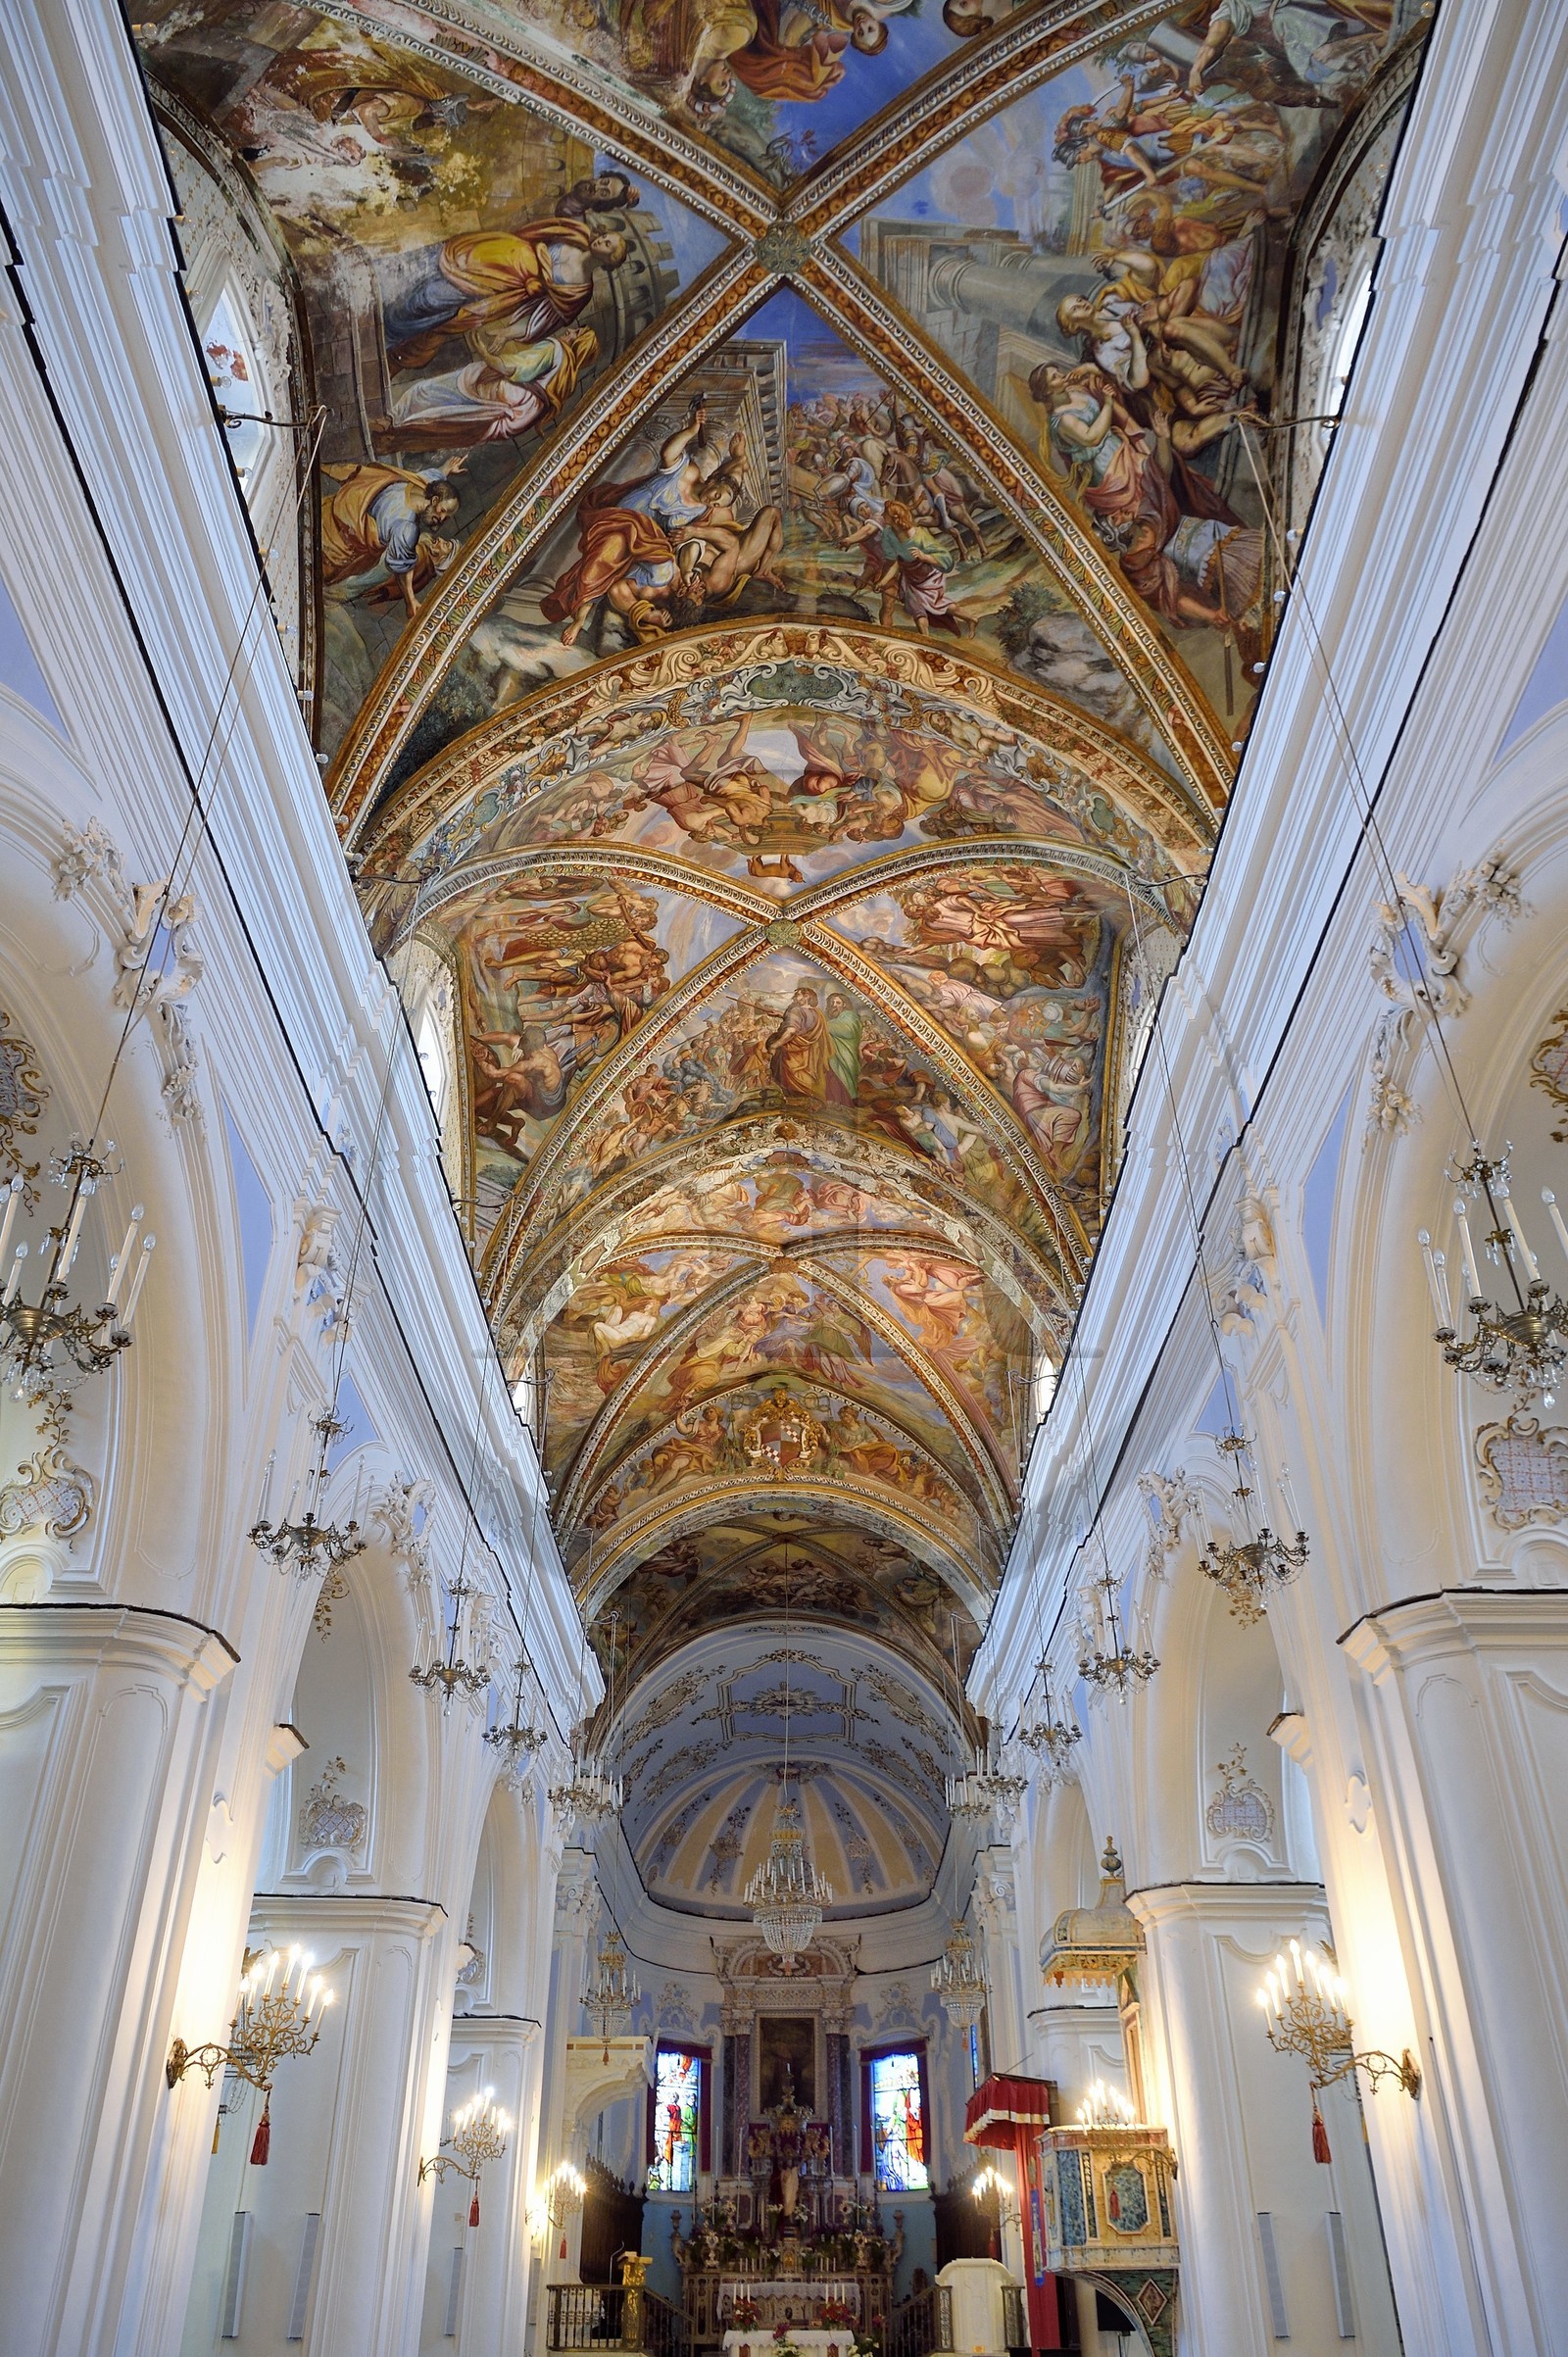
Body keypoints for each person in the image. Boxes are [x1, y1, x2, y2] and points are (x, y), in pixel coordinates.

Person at [381, 221, 628, 370]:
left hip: (501, 286)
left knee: (430, 299)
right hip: (495, 252)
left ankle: (388, 329)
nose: (601, 241)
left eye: (608, 245)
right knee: (429, 265)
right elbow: (531, 233)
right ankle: (381, 295)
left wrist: (506, 332)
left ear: (609, 261)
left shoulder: (579, 291)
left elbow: (541, 320)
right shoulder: (575, 234)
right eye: (605, 237)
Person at [376, 323, 595, 453]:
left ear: (579, 344)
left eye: (576, 333)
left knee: (425, 392)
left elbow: (516, 367)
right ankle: (395, 435)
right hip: (519, 416)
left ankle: (390, 421)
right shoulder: (569, 378)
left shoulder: (556, 348)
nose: (569, 331)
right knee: (447, 423)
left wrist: (484, 352)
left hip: (505, 395)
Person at [318, 462, 460, 614]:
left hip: (331, 512)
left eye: (446, 516)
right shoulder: (406, 527)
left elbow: (435, 476)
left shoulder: (418, 483)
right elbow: (402, 569)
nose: (441, 518)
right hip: (334, 548)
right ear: (434, 500)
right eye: (442, 511)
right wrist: (410, 600)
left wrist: (446, 469)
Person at [766, 983, 833, 1098]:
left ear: (806, 996)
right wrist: (782, 1015)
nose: (793, 998)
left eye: (797, 995)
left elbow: (791, 1031)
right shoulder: (818, 1013)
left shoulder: (796, 1010)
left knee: (791, 1080)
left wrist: (775, 1045)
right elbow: (804, 1022)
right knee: (806, 1079)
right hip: (810, 1054)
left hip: (793, 1053)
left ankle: (793, 1098)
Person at [825, 989, 862, 1105]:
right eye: (832, 1002)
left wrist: (823, 1024)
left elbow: (847, 1031)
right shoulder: (837, 1019)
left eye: (838, 1003)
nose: (834, 1005)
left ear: (844, 1004)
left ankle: (848, 1101)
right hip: (836, 1056)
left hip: (846, 1056)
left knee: (844, 1079)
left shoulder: (850, 1016)